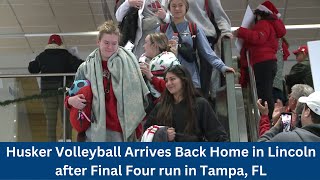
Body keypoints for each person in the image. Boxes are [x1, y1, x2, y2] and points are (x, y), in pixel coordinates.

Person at [65, 20, 150, 142]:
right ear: (98, 42)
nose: (110, 47)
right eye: (106, 42)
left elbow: (141, 97)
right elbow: (70, 96)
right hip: (94, 131)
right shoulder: (85, 67)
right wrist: (71, 101)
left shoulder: (130, 64)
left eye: (114, 43)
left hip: (122, 130)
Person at [159, 0, 234, 95]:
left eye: (180, 5)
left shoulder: (194, 28)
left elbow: (208, 52)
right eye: (174, 6)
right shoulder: (162, 30)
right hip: (170, 80)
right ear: (169, 8)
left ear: (186, 8)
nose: (177, 8)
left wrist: (222, 67)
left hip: (190, 78)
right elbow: (154, 53)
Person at [144, 65, 229, 142]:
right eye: (166, 81)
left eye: (172, 79)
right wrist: (163, 134)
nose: (168, 83)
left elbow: (217, 135)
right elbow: (147, 131)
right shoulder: (161, 106)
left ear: (184, 80)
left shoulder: (200, 104)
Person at [233, 0, 286, 119]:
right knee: (265, 92)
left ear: (259, 14)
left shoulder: (263, 24)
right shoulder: (270, 26)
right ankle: (269, 118)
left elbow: (258, 37)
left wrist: (241, 31)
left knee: (264, 94)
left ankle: (268, 119)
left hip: (263, 62)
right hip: (268, 62)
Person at [28, 34, 83, 142]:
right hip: (63, 91)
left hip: (48, 93)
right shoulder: (66, 55)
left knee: (51, 121)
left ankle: (51, 144)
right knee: (66, 120)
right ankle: (67, 141)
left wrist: (33, 62)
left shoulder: (42, 56)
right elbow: (79, 66)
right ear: (60, 44)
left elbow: (32, 69)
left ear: (48, 43)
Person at [185, 0, 232, 100]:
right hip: (182, 35)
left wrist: (226, 31)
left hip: (204, 33)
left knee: (204, 76)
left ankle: (203, 102)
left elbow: (219, 13)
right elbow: (166, 13)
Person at [139, 32, 180, 106]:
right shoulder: (153, 61)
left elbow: (172, 89)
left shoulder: (165, 61)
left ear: (154, 45)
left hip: (167, 107)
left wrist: (151, 76)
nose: (143, 46)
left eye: (145, 43)